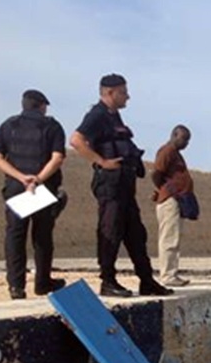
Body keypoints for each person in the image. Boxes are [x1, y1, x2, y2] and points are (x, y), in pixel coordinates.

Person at [70, 73, 172, 298]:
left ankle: (146, 280)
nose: (128, 96)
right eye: (123, 92)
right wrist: (102, 162)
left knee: (136, 233)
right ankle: (107, 281)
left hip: (125, 184)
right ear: (109, 92)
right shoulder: (97, 115)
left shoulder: (114, 116)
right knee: (110, 230)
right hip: (110, 184)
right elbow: (76, 140)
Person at [0, 89, 67, 299]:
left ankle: (16, 287)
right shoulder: (52, 126)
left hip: (16, 188)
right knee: (42, 237)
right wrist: (37, 180)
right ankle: (42, 282)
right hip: (42, 188)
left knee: (15, 236)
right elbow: (57, 158)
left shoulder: (8, 125)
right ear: (41, 106)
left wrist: (21, 177)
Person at [151, 124, 196, 287]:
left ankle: (172, 272)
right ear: (175, 135)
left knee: (174, 238)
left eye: (188, 141)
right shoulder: (167, 151)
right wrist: (164, 188)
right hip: (170, 200)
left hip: (178, 199)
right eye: (184, 139)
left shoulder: (176, 154)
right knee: (169, 238)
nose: (186, 143)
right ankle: (168, 276)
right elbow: (156, 173)